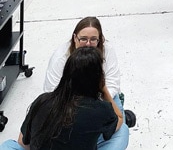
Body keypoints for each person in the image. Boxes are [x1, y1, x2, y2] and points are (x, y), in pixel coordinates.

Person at [0, 47, 122, 150]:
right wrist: (104, 88)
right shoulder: (101, 109)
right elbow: (120, 119)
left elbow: (23, 142)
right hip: (102, 114)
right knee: (122, 130)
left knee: (9, 144)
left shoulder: (42, 100)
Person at [42, 16, 129, 150]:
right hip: (70, 103)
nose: (88, 43)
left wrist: (100, 100)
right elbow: (53, 90)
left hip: (100, 99)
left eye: (93, 39)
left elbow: (113, 82)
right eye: (83, 39)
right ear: (75, 38)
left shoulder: (108, 51)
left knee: (120, 129)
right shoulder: (60, 57)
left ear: (100, 39)